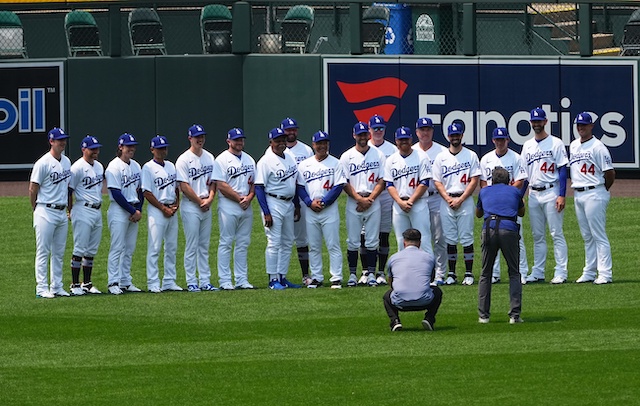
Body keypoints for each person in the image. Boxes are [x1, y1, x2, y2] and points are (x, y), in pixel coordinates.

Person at [522, 108, 569, 284]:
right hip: (534, 193)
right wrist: (520, 195)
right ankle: (538, 271)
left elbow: (563, 169)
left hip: (552, 192)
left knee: (556, 233)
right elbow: (525, 175)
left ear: (545, 122)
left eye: (539, 121)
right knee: (537, 235)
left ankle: (561, 272)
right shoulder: (527, 145)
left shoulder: (555, 143)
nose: (536, 124)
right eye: (534, 121)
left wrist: (562, 195)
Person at [296, 131, 346, 289]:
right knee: (314, 245)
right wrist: (309, 202)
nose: (322, 146)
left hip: (329, 210)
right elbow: (300, 187)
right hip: (310, 210)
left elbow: (338, 186)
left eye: (325, 143)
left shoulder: (335, 163)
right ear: (313, 145)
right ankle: (316, 277)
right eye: (319, 143)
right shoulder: (304, 165)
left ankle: (336, 277)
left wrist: (324, 202)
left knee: (333, 244)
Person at [570, 112, 616, 285]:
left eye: (584, 125)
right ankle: (589, 271)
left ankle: (605, 273)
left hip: (595, 192)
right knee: (587, 236)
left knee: (598, 235)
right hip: (578, 193)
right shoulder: (574, 145)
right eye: (578, 125)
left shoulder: (598, 147)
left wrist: (602, 189)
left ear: (591, 126)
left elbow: (610, 173)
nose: (581, 128)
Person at [432, 123, 481, 286]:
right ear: (448, 136)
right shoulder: (441, 157)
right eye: (452, 135)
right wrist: (447, 198)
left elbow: (474, 180)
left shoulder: (471, 155)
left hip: (464, 200)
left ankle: (468, 273)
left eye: (457, 135)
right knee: (450, 238)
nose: (455, 137)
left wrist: (461, 199)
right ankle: (451, 274)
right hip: (447, 201)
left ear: (461, 135)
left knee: (466, 237)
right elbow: (437, 181)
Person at [479, 127, 529, 285]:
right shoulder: (486, 159)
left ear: (508, 140)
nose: (500, 142)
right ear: (493, 140)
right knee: (491, 238)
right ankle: (494, 274)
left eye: (503, 139)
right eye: (497, 139)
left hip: (510, 206)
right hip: (492, 206)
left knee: (517, 240)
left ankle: (522, 273)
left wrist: (508, 197)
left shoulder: (516, 157)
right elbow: (483, 182)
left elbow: (521, 180)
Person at [476, 167, 525, 324]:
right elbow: (522, 212)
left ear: (492, 179)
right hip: (508, 228)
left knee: (485, 273)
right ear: (509, 180)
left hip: (489, 228)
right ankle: (514, 315)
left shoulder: (484, 191)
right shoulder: (515, 191)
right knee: (514, 272)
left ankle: (484, 315)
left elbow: (478, 213)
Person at [340, 122, 386, 287]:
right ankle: (353, 274)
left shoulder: (378, 155)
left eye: (364, 134)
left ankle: (371, 273)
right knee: (353, 240)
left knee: (372, 240)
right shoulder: (346, 156)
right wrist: (359, 199)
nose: (362, 137)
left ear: (369, 135)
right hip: (354, 202)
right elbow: (344, 182)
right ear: (354, 136)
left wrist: (370, 199)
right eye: (359, 135)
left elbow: (382, 180)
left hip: (373, 200)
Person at [255, 127, 301, 290]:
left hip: (288, 203)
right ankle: (272, 279)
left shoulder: (289, 157)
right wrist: (266, 212)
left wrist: (296, 205)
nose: (281, 143)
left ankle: (282, 276)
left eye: (283, 140)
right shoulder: (265, 161)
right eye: (278, 140)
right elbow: (259, 188)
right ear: (271, 142)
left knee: (288, 241)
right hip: (273, 202)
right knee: (274, 242)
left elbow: (293, 182)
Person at [29, 127, 72, 298]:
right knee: (43, 250)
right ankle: (41, 287)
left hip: (61, 212)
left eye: (64, 139)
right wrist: (36, 208)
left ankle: (57, 286)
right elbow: (33, 188)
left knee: (59, 252)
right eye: (59, 140)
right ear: (51, 141)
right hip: (45, 210)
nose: (62, 142)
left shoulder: (67, 162)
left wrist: (68, 209)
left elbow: (67, 188)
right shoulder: (43, 163)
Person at [212, 128, 256, 290]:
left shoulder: (249, 159)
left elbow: (254, 184)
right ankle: (224, 280)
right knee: (226, 242)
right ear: (229, 141)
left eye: (241, 139)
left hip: (246, 205)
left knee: (243, 243)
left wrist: (249, 198)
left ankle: (241, 279)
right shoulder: (221, 160)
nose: (239, 142)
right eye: (236, 140)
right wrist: (239, 199)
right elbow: (220, 184)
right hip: (228, 205)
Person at [175, 124, 217, 292]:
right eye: (197, 137)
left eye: (202, 136)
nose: (200, 139)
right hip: (191, 206)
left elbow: (214, 182)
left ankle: (205, 280)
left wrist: (211, 199)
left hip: (207, 205)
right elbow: (183, 186)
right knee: (192, 245)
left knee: (204, 245)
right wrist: (201, 202)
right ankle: (191, 280)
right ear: (190, 138)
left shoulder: (210, 157)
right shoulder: (183, 159)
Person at [141, 135, 182, 293]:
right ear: (152, 150)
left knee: (171, 247)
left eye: (164, 148)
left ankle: (169, 281)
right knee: (155, 247)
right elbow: (147, 192)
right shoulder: (148, 167)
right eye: (159, 149)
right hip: (157, 210)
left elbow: (176, 188)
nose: (163, 151)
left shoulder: (171, 166)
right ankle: (153, 282)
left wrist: (177, 204)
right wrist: (163, 208)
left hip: (171, 209)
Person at [382, 228, 443, 332]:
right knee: (437, 291)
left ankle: (395, 321)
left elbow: (391, 281)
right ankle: (429, 318)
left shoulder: (393, 258)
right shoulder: (429, 257)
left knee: (386, 296)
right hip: (424, 301)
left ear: (404, 242)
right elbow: (431, 279)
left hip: (400, 302)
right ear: (419, 243)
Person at [105, 133, 144, 295]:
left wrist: (139, 210)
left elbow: (140, 191)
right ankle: (112, 282)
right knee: (117, 247)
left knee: (129, 248)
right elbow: (116, 193)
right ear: (120, 147)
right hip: (119, 211)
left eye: (133, 146)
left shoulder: (136, 166)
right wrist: (132, 210)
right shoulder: (113, 167)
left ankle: (125, 281)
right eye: (128, 146)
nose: (131, 149)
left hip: (133, 210)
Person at [384, 126, 432, 253]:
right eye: (401, 139)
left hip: (418, 203)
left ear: (411, 140)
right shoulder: (391, 160)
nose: (403, 142)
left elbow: (424, 182)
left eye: (406, 139)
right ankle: (404, 272)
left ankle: (429, 272)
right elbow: (389, 185)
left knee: (424, 240)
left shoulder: (422, 157)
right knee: (401, 241)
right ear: (396, 141)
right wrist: (400, 202)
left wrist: (410, 201)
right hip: (398, 205)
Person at [413, 117, 448, 285]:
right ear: (417, 132)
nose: (425, 132)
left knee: (439, 237)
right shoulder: (412, 151)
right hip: (418, 199)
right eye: (422, 129)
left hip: (436, 197)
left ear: (432, 131)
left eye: (428, 129)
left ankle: (440, 273)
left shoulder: (442, 151)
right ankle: (422, 271)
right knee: (419, 237)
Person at [68, 136, 104, 296]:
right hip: (82, 209)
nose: (95, 152)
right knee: (80, 248)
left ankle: (87, 283)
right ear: (84, 149)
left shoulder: (99, 167)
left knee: (91, 250)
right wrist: (69, 210)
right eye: (92, 149)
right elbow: (69, 191)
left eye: (97, 149)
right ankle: (75, 284)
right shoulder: (77, 168)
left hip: (97, 210)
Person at [364, 114, 398, 285]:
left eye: (381, 128)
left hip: (386, 196)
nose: (378, 131)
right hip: (366, 197)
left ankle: (380, 271)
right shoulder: (364, 147)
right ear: (369, 129)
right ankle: (365, 271)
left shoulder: (392, 149)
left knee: (384, 233)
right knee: (365, 234)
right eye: (375, 128)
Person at [281, 118, 314, 285]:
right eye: (288, 130)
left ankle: (305, 274)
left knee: (302, 238)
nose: (291, 132)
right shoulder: (274, 151)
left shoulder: (306, 150)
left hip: (302, 198)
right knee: (281, 239)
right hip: (281, 200)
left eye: (294, 129)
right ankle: (279, 276)